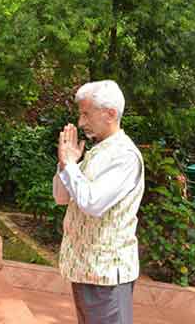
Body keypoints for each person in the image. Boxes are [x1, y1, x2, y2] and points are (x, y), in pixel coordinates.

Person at [53, 80, 145, 324]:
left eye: (86, 114)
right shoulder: (99, 152)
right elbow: (62, 198)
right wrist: (64, 164)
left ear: (110, 114)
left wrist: (71, 166)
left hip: (106, 274)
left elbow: (92, 203)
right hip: (85, 269)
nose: (81, 122)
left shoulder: (124, 156)